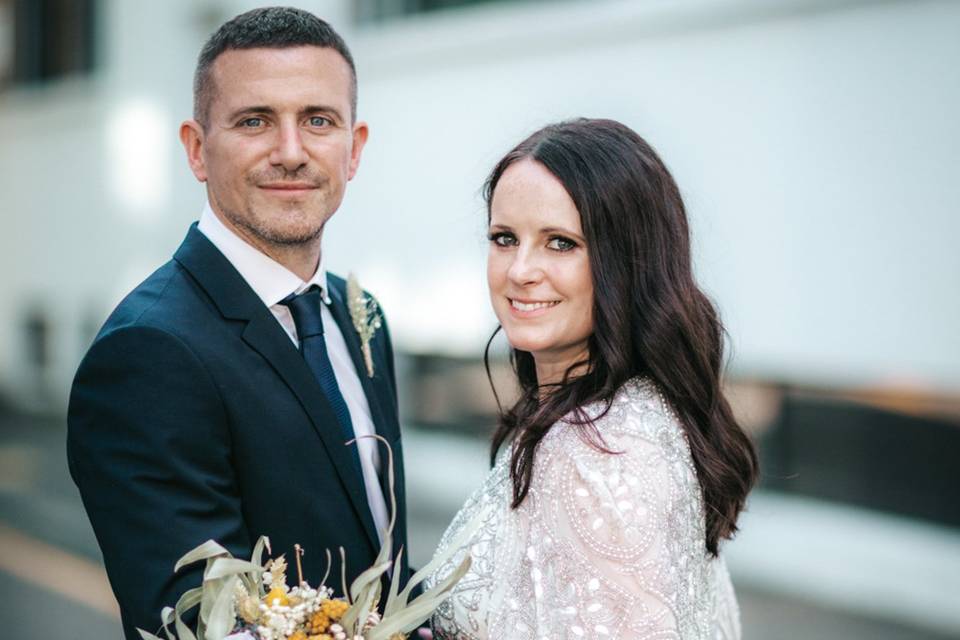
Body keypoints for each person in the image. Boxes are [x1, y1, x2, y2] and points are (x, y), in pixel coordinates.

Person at [66, 8, 413, 639]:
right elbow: (198, 623)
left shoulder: (363, 317)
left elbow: (385, 565)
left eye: (318, 121)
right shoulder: (146, 353)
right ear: (198, 150)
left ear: (353, 149)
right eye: (254, 121)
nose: (290, 152)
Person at [425, 119, 759, 639]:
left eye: (560, 243)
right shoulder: (630, 411)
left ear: (629, 262)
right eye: (504, 238)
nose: (520, 270)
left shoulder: (598, 452)